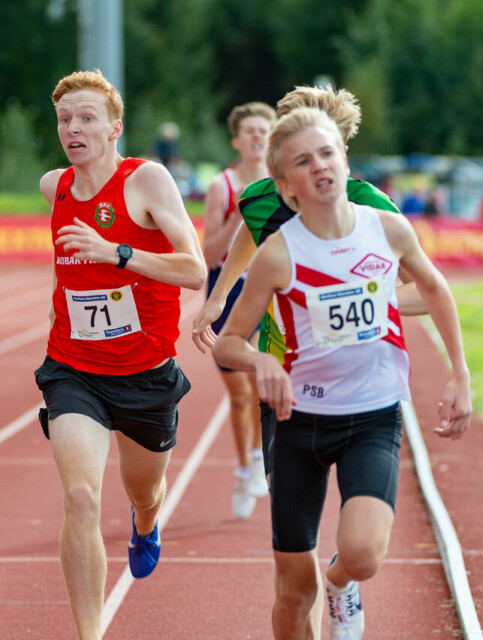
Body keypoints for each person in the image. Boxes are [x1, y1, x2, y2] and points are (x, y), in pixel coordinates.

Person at [213, 107, 472, 640]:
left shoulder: (389, 229)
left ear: (345, 160)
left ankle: (340, 582)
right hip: (296, 423)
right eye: (303, 162)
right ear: (285, 185)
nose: (320, 167)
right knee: (291, 595)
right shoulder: (277, 256)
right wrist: (261, 360)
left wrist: (460, 375)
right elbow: (230, 341)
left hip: (371, 417)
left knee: (363, 555)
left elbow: (435, 288)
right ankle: (315, 590)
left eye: (327, 154)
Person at [34, 69, 207, 640]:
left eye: (87, 118)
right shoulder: (53, 187)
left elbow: (193, 269)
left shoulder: (147, 181)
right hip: (74, 370)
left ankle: (146, 523)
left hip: (145, 373)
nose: (74, 128)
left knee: (144, 490)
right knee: (81, 498)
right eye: (65, 119)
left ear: (115, 128)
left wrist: (117, 252)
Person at [193, 85, 427, 481]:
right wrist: (217, 298)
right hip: (286, 371)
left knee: (361, 520)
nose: (315, 165)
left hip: (356, 378)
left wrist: (353, 299)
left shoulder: (373, 206)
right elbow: (248, 235)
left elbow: (424, 291)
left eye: (323, 149)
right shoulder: (259, 200)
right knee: (291, 517)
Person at [200, 101, 275, 519]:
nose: (257, 137)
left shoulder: (285, 182)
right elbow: (208, 253)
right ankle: (248, 464)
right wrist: (239, 220)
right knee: (239, 391)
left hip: (271, 291)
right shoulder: (221, 186)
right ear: (236, 140)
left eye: (264, 130)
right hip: (228, 288)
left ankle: (261, 455)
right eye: (249, 131)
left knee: (263, 382)